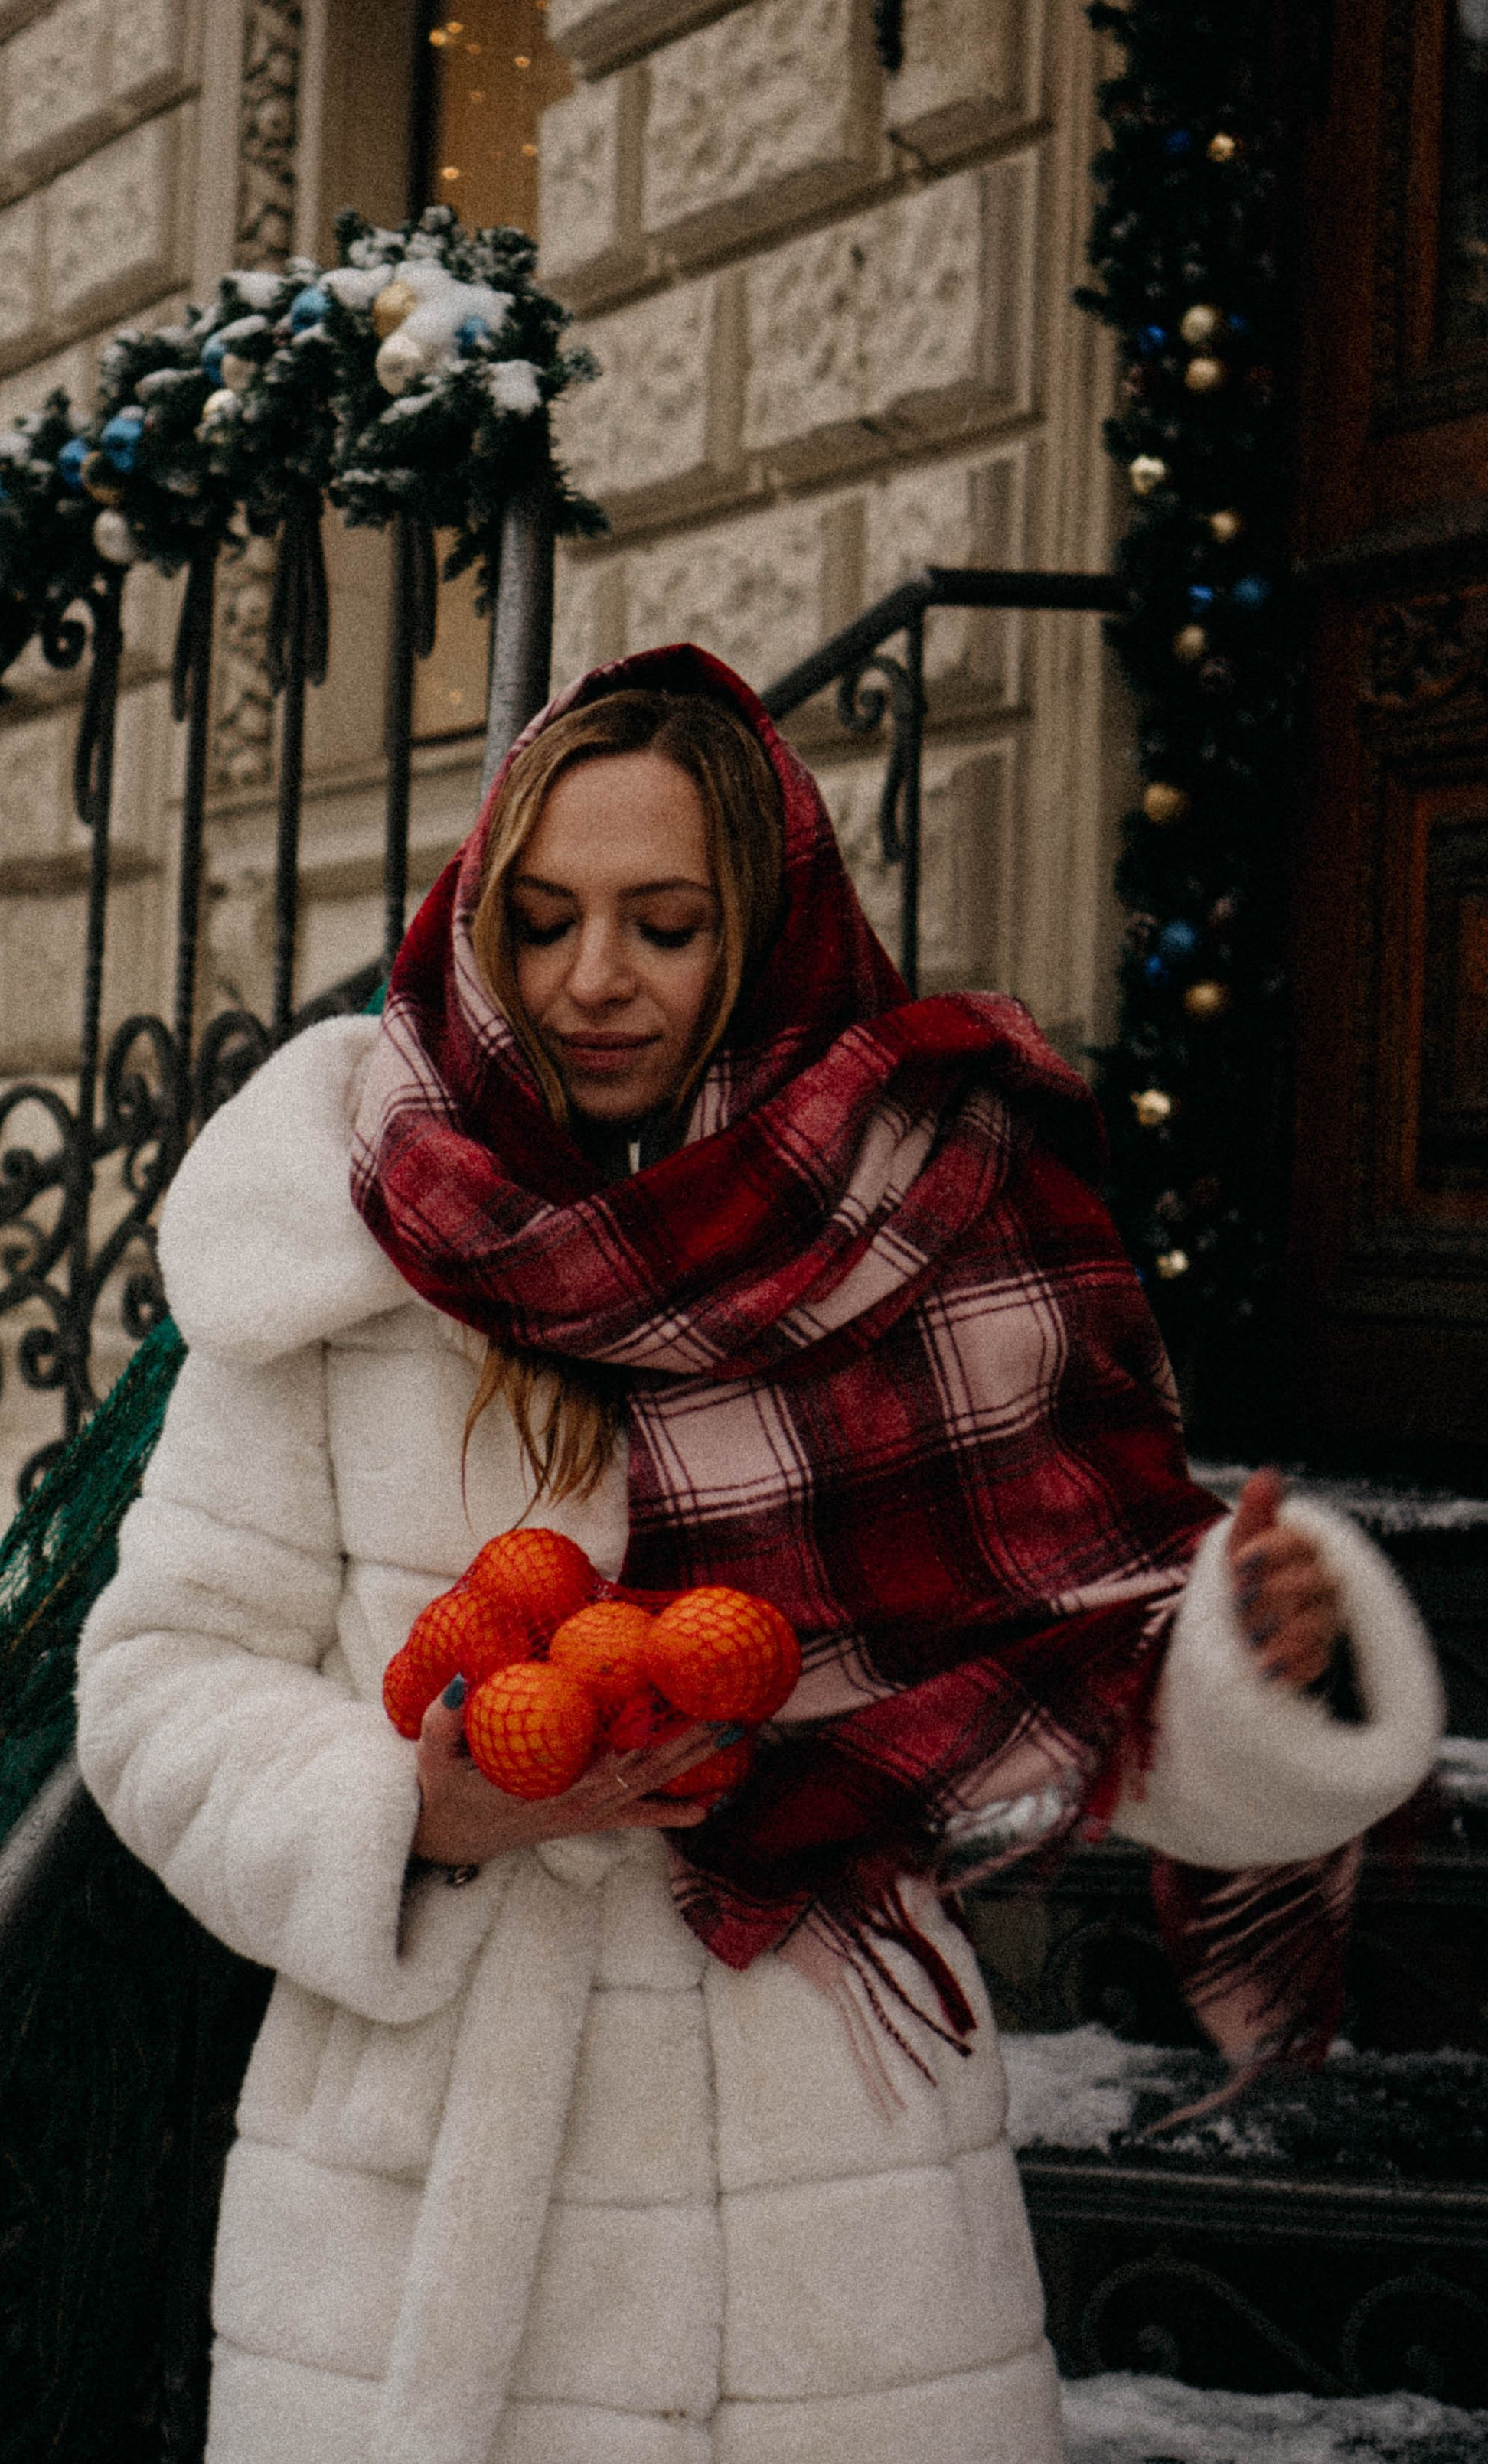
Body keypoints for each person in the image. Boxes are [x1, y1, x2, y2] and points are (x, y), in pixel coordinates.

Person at [77, 646, 1441, 2464]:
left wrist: (1245, 1663)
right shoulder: (348, 1257)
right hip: (445, 2202)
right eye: (545, 919)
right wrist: (414, 1815)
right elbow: (160, 1676)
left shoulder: (925, 1232)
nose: (590, 982)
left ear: (768, 931)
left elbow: (1069, 1692)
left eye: (662, 923)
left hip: (836, 2218)